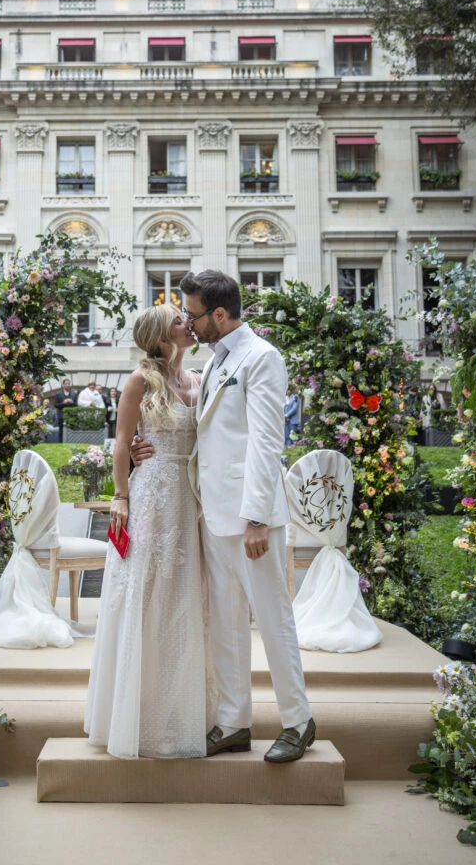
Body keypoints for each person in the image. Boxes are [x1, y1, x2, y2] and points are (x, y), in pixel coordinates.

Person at [132, 270, 314, 762]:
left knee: (272, 618)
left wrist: (256, 517)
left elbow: (266, 442)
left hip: (251, 518)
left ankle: (298, 721)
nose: (187, 324)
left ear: (218, 314)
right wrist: (142, 449)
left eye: (192, 315)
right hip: (210, 513)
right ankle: (234, 722)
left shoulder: (261, 357)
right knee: (226, 622)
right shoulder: (213, 361)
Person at [85, 304, 206, 759]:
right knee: (146, 594)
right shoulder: (140, 380)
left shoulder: (199, 380)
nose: (187, 323)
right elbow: (122, 441)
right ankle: (135, 715)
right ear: (159, 336)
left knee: (182, 598)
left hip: (191, 498)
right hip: (152, 496)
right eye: (178, 319)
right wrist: (120, 496)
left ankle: (180, 711)